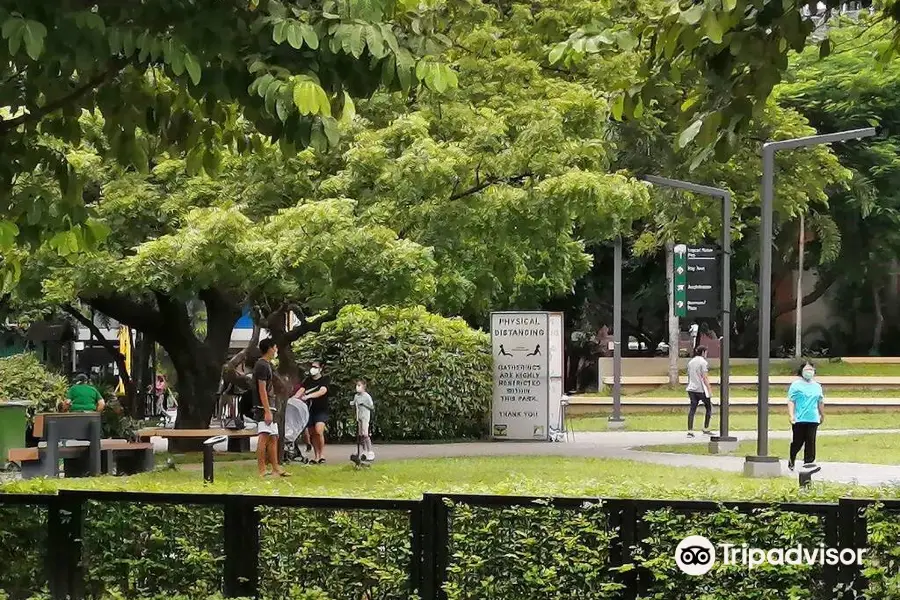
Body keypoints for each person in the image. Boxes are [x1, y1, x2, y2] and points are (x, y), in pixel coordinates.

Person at [253, 339, 288, 477]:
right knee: (264, 437)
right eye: (275, 347)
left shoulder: (267, 365)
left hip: (270, 405)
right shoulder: (261, 365)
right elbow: (261, 389)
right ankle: (261, 469)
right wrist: (266, 410)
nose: (276, 350)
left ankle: (275, 467)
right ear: (269, 348)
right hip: (263, 406)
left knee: (274, 437)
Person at [788, 360, 825, 471]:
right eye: (806, 369)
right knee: (798, 442)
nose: (809, 372)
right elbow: (791, 401)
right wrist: (791, 415)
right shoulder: (796, 385)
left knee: (811, 440)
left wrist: (822, 414)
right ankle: (792, 457)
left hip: (813, 417)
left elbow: (820, 401)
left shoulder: (817, 386)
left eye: (811, 369)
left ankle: (808, 462)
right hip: (800, 418)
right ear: (801, 371)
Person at [294, 360, 330, 464]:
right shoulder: (307, 381)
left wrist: (308, 396)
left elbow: (322, 391)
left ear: (320, 369)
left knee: (319, 431)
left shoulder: (325, 380)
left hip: (321, 409)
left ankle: (321, 454)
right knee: (312, 433)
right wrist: (293, 399)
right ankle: (316, 456)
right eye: (312, 366)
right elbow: (301, 391)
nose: (312, 369)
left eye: (315, 366)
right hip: (309, 411)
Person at [685, 345, 713, 437]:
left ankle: (690, 431)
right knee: (708, 408)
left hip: (691, 388)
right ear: (703, 352)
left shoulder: (691, 362)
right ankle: (706, 428)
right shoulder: (703, 362)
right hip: (701, 389)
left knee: (692, 409)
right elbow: (705, 377)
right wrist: (709, 389)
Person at [350, 379, 375, 461]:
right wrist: (352, 403)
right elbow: (354, 403)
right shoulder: (356, 396)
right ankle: (364, 451)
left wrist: (364, 404)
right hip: (359, 417)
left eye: (359, 385)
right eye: (357, 385)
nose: (357, 387)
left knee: (365, 434)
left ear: (364, 387)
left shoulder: (367, 396)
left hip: (365, 417)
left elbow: (372, 407)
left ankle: (370, 451)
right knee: (361, 435)